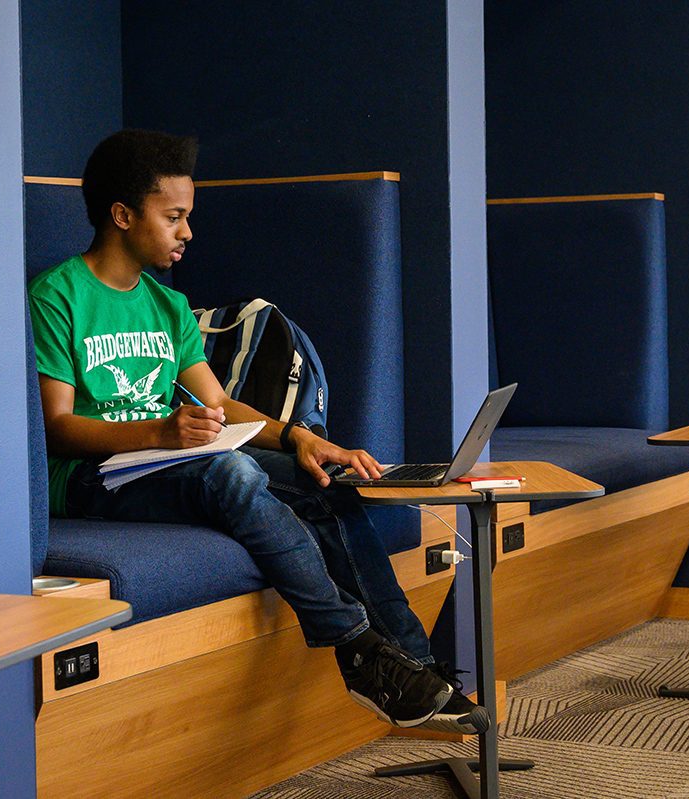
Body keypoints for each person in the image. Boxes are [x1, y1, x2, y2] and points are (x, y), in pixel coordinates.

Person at [28, 129, 489, 735]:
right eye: (174, 217)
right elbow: (56, 429)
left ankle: (415, 666)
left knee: (319, 476)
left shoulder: (166, 307)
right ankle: (354, 646)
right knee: (230, 472)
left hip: (164, 462)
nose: (187, 232)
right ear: (122, 214)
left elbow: (219, 401)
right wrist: (160, 435)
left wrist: (297, 436)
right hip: (92, 480)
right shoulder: (56, 296)